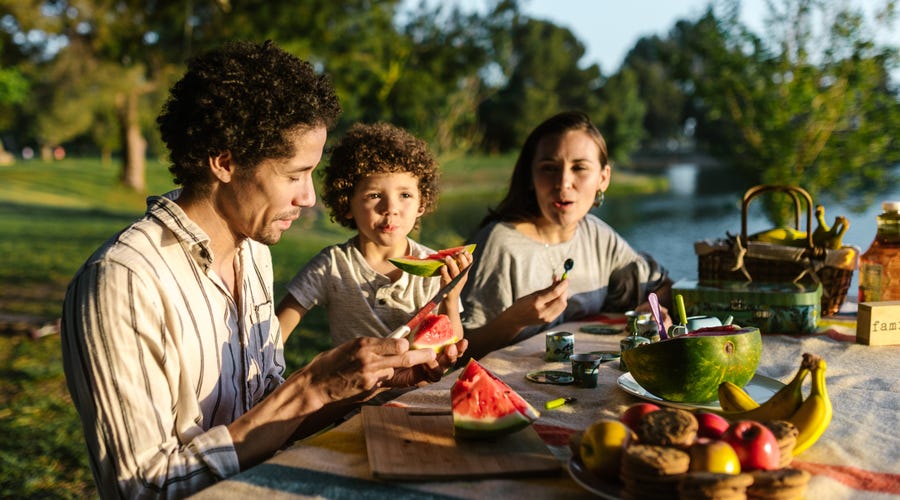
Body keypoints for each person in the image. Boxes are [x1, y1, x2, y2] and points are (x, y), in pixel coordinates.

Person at [60, 41, 466, 499]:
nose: (309, 197)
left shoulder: (253, 251)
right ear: (225, 162)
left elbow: (265, 416)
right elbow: (145, 490)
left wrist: (357, 388)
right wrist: (310, 388)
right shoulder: (121, 283)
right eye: (294, 175)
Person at [460, 110, 672, 360]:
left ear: (603, 179)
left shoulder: (595, 233)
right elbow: (460, 352)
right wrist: (514, 321)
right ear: (530, 177)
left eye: (579, 167)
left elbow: (659, 284)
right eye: (549, 168)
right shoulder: (499, 243)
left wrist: (655, 309)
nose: (563, 182)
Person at [276, 122, 471, 346]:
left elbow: (451, 346)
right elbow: (277, 332)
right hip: (351, 381)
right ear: (346, 204)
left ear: (421, 204)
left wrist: (451, 297)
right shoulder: (331, 265)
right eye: (375, 195)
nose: (390, 207)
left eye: (405, 195)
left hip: (420, 382)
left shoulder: (435, 270)